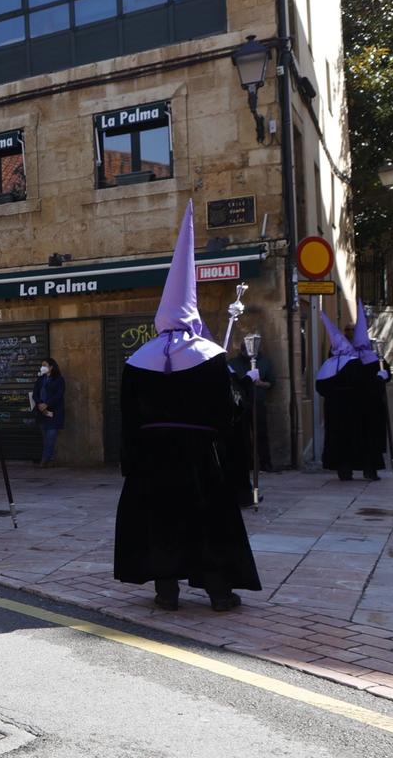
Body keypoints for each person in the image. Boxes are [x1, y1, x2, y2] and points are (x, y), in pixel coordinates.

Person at [112, 203, 257, 613]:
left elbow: (128, 417)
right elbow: (227, 412)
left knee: (160, 523)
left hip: (151, 460)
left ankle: (166, 591)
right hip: (198, 460)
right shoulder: (210, 357)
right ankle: (218, 592)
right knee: (206, 523)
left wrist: (130, 461)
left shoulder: (137, 359)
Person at [314, 309, 386, 481]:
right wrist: (379, 379)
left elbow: (321, 387)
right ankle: (366, 469)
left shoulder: (329, 365)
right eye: (348, 331)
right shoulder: (355, 365)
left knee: (342, 440)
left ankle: (344, 469)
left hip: (338, 412)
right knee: (363, 440)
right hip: (361, 410)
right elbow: (365, 385)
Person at [238, 339, 276, 472]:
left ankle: (265, 464)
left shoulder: (264, 362)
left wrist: (260, 383)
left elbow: (271, 383)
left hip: (258, 403)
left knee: (261, 434)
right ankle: (246, 464)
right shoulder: (233, 363)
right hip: (240, 406)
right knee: (242, 436)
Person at [30, 356, 66, 467]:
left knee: (51, 436)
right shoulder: (41, 379)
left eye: (45, 365)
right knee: (45, 437)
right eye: (42, 365)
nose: (42, 367)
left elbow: (59, 395)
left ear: (51, 367)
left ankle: (44, 459)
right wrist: (40, 404)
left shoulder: (59, 380)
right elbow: (35, 393)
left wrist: (47, 404)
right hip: (42, 413)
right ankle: (50, 459)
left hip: (54, 413)